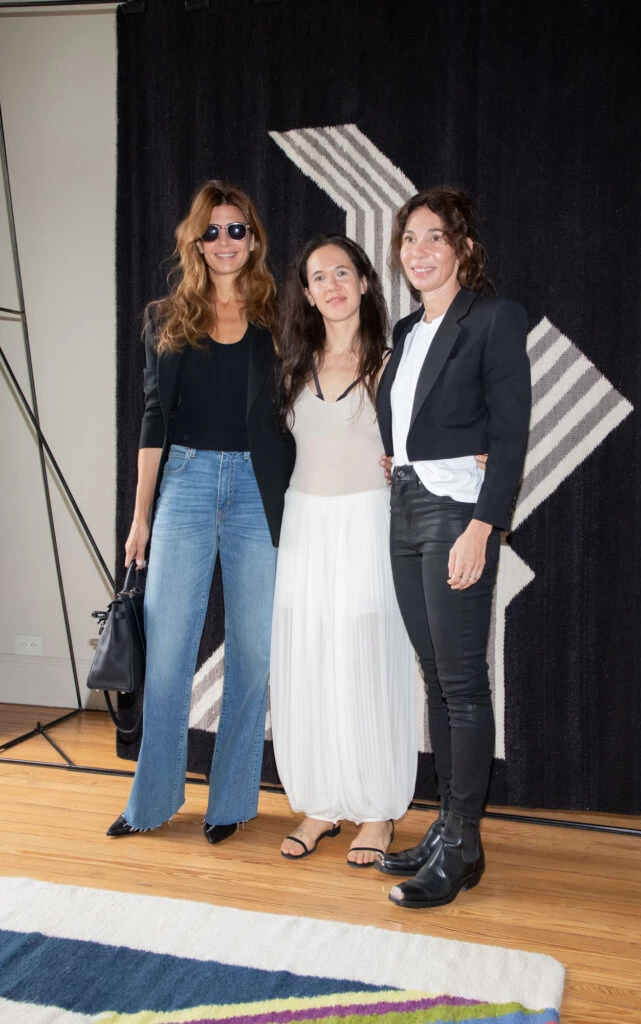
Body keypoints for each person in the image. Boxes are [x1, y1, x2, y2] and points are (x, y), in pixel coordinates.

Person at [108, 181, 295, 842]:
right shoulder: (166, 316)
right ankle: (151, 802)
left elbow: (309, 404)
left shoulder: (282, 314)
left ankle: (230, 804)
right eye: (211, 231)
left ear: (254, 238)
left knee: (252, 651)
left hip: (256, 490)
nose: (224, 242)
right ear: (195, 240)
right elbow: (153, 421)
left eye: (235, 229)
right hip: (184, 483)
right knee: (167, 652)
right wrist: (140, 518)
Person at [374, 186, 531, 907]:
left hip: (456, 515)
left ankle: (464, 845)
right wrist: (397, 456)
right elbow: (408, 418)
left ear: (463, 248)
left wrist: (482, 525)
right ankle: (446, 826)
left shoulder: (494, 319)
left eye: (435, 237)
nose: (420, 251)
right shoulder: (406, 332)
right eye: (409, 239)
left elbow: (510, 435)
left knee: (463, 684)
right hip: (405, 509)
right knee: (437, 679)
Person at [269, 235, 417, 866]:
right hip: (305, 525)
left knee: (367, 655)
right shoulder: (290, 365)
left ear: (363, 282)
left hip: (366, 525)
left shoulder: (391, 363)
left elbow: (421, 445)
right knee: (313, 655)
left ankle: (378, 810)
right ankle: (322, 804)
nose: (331, 285)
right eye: (317, 277)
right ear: (305, 293)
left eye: (342, 273)